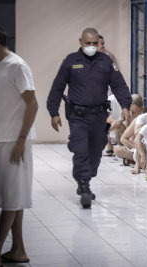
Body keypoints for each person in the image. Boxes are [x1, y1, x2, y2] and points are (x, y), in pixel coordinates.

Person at [46, 28, 131, 209]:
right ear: (81, 42)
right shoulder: (71, 61)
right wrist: (53, 112)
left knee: (96, 148)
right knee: (81, 149)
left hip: (99, 116)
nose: (91, 46)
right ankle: (83, 185)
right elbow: (57, 87)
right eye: (88, 43)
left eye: (94, 43)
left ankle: (86, 175)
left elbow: (119, 84)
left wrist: (125, 105)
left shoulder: (106, 61)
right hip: (78, 116)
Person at [0, 24, 38, 267]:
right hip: (1, 138)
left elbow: (32, 105)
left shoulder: (17, 66)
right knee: (14, 197)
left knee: (11, 200)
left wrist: (21, 141)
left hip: (15, 141)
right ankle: (18, 250)